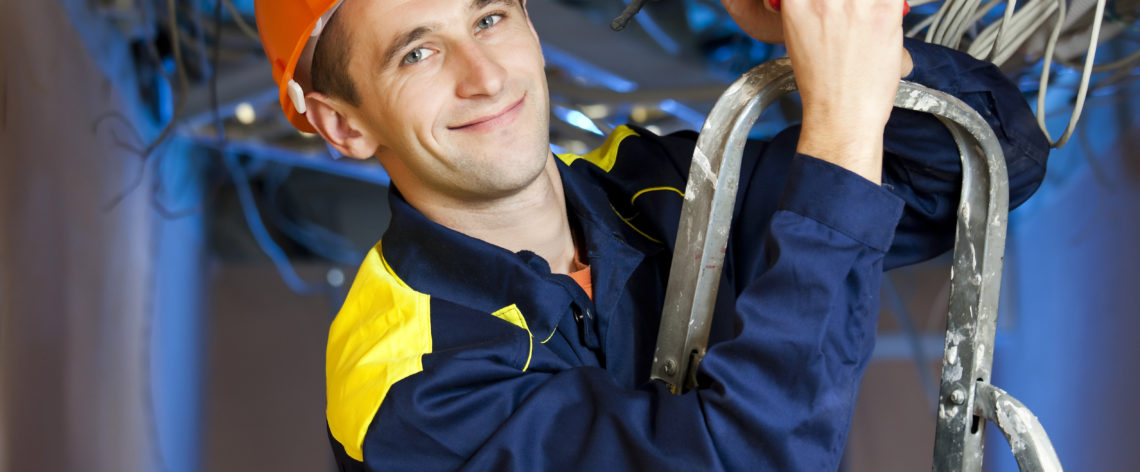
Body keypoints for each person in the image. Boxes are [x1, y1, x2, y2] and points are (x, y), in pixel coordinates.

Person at [253, 0, 1049, 470]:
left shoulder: (645, 185)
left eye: (489, 16)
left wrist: (810, 28)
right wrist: (840, 116)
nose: (485, 76)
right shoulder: (407, 385)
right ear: (340, 123)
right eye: (418, 52)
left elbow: (979, 164)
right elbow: (748, 459)